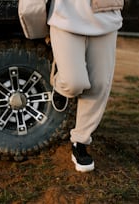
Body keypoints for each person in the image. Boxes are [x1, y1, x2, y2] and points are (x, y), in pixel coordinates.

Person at [47, 0, 124, 172]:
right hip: (65, 15)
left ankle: (80, 141)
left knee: (99, 85)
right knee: (74, 82)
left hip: (105, 15)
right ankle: (61, 83)